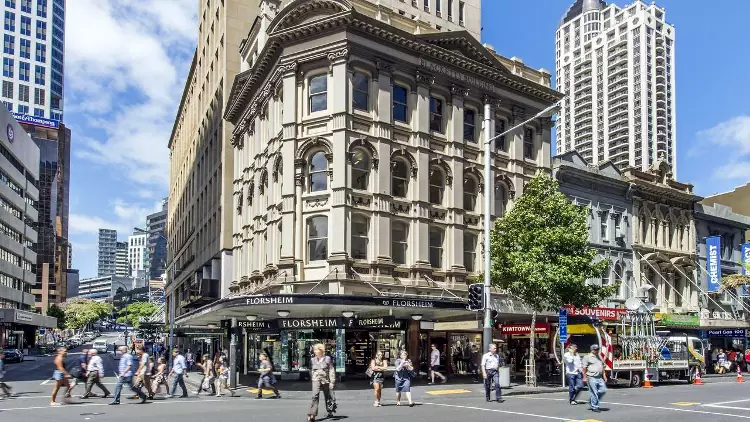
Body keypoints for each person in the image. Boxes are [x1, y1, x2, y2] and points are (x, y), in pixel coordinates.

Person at [307, 343, 335, 422]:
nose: (314, 351)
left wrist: (332, 382)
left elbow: (331, 370)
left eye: (316, 350)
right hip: (316, 380)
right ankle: (312, 414)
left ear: (321, 350)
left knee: (328, 396)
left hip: (325, 380)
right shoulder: (313, 360)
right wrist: (312, 377)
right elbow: (311, 369)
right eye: (314, 350)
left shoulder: (327, 359)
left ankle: (330, 411)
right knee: (315, 396)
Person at [582, 344, 607, 413]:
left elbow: (603, 366)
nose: (597, 350)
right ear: (592, 350)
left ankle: (593, 400)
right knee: (594, 392)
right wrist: (584, 377)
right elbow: (584, 368)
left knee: (603, 390)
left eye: (598, 349)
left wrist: (604, 375)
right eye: (596, 349)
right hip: (591, 377)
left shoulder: (599, 356)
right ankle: (595, 407)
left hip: (599, 377)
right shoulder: (587, 357)